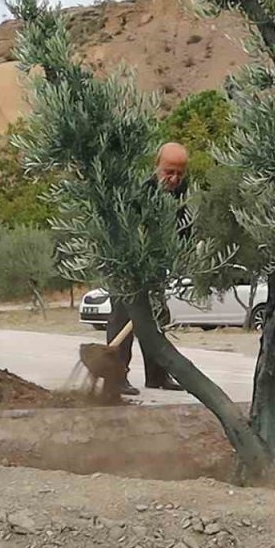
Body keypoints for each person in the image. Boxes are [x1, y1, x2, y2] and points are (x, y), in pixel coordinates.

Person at [105, 142, 189, 395]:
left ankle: (157, 375)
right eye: (169, 172)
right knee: (122, 317)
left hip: (155, 266)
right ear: (157, 167)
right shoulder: (138, 190)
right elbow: (123, 228)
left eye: (179, 173)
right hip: (125, 263)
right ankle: (116, 377)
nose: (174, 178)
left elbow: (184, 226)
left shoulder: (181, 191)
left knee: (156, 316)